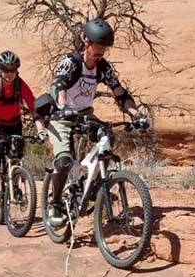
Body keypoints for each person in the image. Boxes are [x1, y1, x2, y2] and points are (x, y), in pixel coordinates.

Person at [46, 17, 147, 225]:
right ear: (86, 41)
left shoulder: (103, 67)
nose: (100, 51)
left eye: (104, 47)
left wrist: (136, 115)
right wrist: (64, 107)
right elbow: (59, 86)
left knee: (107, 139)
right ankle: (55, 204)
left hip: (84, 114)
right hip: (62, 117)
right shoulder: (72, 62)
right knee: (64, 161)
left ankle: (91, 188)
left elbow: (119, 91)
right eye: (97, 45)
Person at [0, 50, 47, 203]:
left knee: (16, 156)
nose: (9, 74)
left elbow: (35, 110)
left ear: (17, 70)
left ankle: (14, 187)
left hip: (14, 124)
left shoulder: (20, 85)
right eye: (6, 70)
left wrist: (41, 130)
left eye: (12, 70)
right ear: (0, 69)